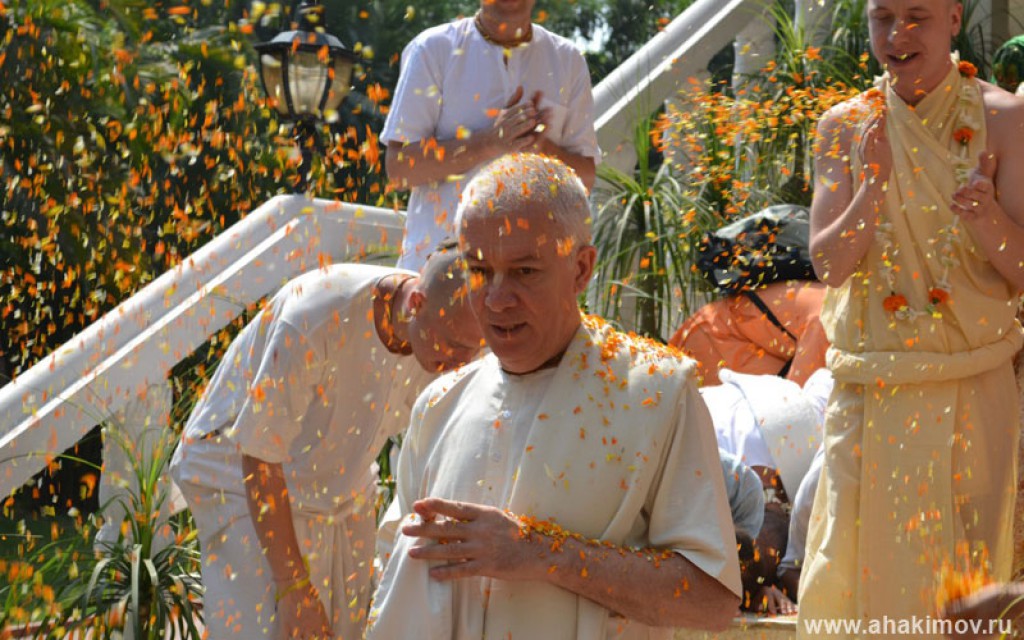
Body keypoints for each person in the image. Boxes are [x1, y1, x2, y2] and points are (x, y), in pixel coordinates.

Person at [367, 153, 741, 639]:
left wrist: (540, 552)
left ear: (581, 269)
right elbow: (394, 580)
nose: (497, 298)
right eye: (479, 270)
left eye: (524, 271)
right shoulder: (439, 403)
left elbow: (710, 601)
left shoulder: (658, 392)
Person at [797, 0, 1024, 634]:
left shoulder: (1005, 119)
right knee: (848, 579)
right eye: (882, 17)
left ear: (953, 18)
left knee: (964, 596)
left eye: (917, 16)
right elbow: (829, 266)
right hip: (871, 395)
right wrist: (871, 188)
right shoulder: (845, 125)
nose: (897, 35)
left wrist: (987, 217)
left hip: (971, 390)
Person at [169, 249, 482, 640]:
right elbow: (259, 456)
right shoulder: (312, 319)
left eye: (473, 348)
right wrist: (293, 588)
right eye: (453, 345)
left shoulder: (455, 329)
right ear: (416, 303)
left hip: (339, 484)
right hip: (241, 476)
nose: (462, 362)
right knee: (271, 629)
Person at [381, 0, 600, 271]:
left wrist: (542, 148)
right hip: (440, 271)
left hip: (529, 277)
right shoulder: (434, 49)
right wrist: (489, 143)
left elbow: (586, 179)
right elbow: (399, 169)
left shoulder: (567, 60)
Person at [669, 280, 829, 387]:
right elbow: (800, 398)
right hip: (715, 338)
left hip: (729, 332)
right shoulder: (827, 319)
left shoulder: (832, 301)